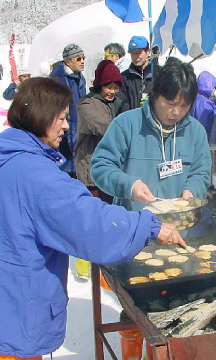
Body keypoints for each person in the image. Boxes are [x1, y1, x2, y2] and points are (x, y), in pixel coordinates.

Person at [0, 77, 186, 360]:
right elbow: (90, 223)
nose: (67, 126)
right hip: (15, 308)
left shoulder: (3, 157)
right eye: (62, 118)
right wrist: (149, 224)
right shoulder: (37, 176)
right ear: (40, 116)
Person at [91, 58, 211, 213]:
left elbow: (200, 173)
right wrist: (130, 186)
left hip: (176, 228)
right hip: (133, 224)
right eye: (171, 103)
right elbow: (101, 167)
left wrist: (192, 191)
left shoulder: (196, 132)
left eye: (184, 106)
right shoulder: (126, 124)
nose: (176, 112)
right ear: (155, 96)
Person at [74, 60, 125, 279]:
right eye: (108, 87)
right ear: (99, 85)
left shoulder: (112, 103)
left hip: (108, 169)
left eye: (116, 87)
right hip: (90, 170)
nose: (112, 91)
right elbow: (106, 127)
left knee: (107, 217)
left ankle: (105, 261)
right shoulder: (87, 105)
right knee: (91, 220)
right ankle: (85, 265)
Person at [50, 43, 87, 178]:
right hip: (65, 135)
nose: (82, 61)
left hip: (79, 131)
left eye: (83, 58)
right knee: (66, 173)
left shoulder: (80, 77)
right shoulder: (58, 80)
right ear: (67, 61)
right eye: (78, 58)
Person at [118, 35, 154, 111]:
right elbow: (122, 103)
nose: (136, 57)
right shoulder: (125, 77)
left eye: (139, 53)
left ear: (148, 52)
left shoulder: (159, 73)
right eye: (132, 53)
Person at [189, 71, 216, 137]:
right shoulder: (205, 104)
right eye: (214, 87)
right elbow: (209, 123)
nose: (214, 90)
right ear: (208, 86)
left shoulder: (195, 98)